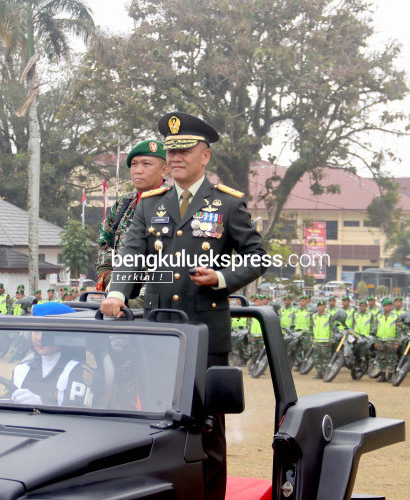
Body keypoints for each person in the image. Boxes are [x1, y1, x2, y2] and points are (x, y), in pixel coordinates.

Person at [100, 111, 268, 500]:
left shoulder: (227, 204)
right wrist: (117, 294)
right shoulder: (150, 204)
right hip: (158, 333)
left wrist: (222, 277)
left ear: (204, 155)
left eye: (184, 151)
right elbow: (130, 256)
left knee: (207, 430)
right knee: (159, 427)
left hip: (205, 338)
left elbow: (257, 255)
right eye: (171, 152)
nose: (175, 159)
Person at [96, 140, 169, 305]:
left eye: (146, 164)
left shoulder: (173, 204)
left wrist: (141, 301)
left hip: (158, 297)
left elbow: (172, 260)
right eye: (134, 164)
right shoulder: (124, 203)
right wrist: (108, 275)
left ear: (165, 170)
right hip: (120, 290)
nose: (138, 170)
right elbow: (104, 238)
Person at [8, 302, 92, 408]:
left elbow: (75, 417)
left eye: (47, 333)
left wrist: (42, 404)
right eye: (36, 331)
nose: (39, 338)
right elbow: (3, 403)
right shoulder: (21, 369)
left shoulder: (77, 370)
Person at [375, 298, 398, 383]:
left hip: (391, 341)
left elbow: (398, 331)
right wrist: (375, 341)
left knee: (391, 359)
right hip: (381, 340)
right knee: (382, 358)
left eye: (388, 306)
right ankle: (383, 376)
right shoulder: (379, 316)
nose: (386, 308)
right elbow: (375, 329)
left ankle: (390, 377)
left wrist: (397, 342)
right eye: (385, 306)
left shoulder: (395, 317)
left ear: (391, 307)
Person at [311, 300, 333, 379]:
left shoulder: (329, 316)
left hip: (325, 341)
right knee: (317, 358)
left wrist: (331, 340)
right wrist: (311, 339)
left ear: (325, 307)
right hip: (316, 341)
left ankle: (325, 373)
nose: (320, 307)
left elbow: (332, 329)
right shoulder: (314, 316)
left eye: (322, 306)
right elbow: (311, 328)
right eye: (319, 306)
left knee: (325, 358)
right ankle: (319, 373)